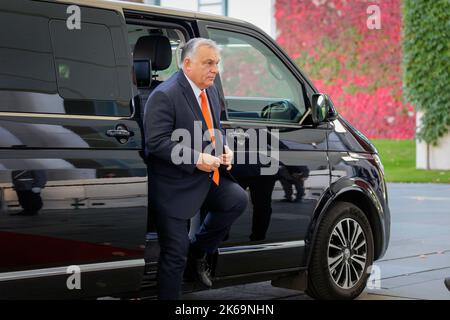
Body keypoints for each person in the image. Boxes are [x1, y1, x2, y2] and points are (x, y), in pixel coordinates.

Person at [143, 38, 248, 300]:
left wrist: (224, 149)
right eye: (208, 63)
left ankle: (198, 252)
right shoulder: (164, 95)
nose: (215, 69)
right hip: (173, 186)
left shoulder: (210, 89)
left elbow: (216, 128)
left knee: (237, 199)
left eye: (217, 63)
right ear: (187, 64)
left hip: (204, 177)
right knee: (174, 254)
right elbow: (155, 143)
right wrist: (196, 159)